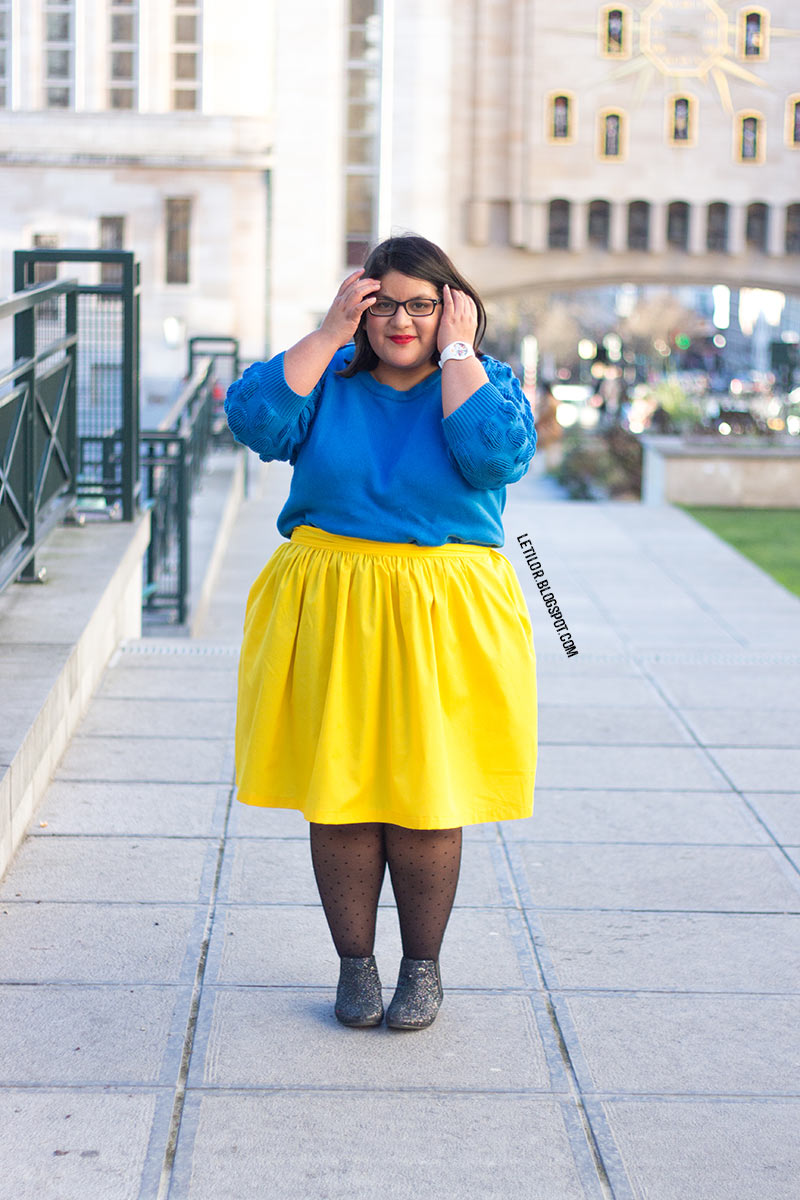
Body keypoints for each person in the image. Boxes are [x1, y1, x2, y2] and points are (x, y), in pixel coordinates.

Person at [224, 234, 538, 1032]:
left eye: (422, 304)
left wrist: (460, 352)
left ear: (451, 308)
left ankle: (422, 970)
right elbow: (254, 421)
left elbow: (493, 458)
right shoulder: (329, 378)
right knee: (342, 793)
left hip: (444, 611)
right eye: (385, 302)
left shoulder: (483, 382)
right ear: (361, 305)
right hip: (332, 601)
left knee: (427, 796)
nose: (402, 319)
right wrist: (329, 332)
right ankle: (355, 967)